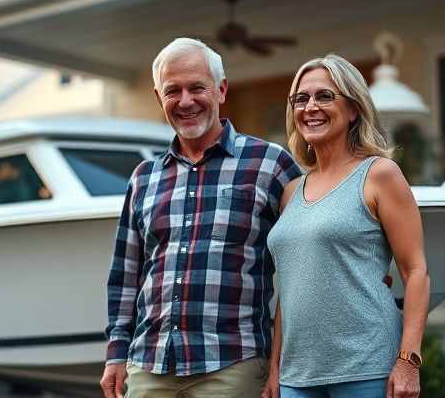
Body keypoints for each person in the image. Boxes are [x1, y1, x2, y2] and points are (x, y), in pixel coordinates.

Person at [101, 38, 302, 398]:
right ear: (158, 98)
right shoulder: (143, 178)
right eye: (172, 91)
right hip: (150, 366)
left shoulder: (272, 165)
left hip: (234, 364)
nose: (185, 101)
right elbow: (126, 274)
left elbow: (304, 260)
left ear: (221, 89)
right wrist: (116, 353)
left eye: (197, 88)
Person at [264, 54, 429, 398]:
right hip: (297, 377)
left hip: (367, 367)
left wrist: (408, 362)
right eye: (301, 98)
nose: (311, 107)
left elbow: (416, 271)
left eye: (325, 96)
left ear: (353, 109)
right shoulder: (291, 191)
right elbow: (290, 289)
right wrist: (275, 369)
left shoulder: (379, 174)